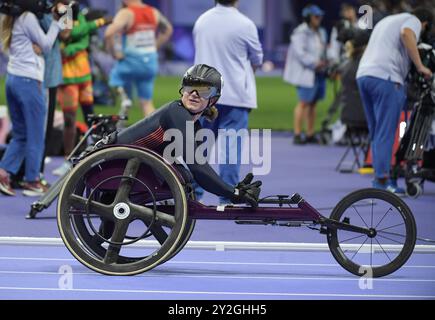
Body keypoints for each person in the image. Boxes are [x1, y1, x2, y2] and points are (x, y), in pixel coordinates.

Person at [95, 64, 261, 208]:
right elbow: (199, 169)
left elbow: (200, 170)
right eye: (190, 87)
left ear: (213, 99)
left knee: (185, 176)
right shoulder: (177, 113)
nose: (194, 93)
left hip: (128, 167)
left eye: (203, 90)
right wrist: (233, 192)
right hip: (108, 168)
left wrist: (232, 190)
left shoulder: (194, 126)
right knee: (184, 175)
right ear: (182, 90)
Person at [356, 7, 433, 194]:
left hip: (364, 75)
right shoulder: (412, 21)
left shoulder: (387, 21)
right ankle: (382, 181)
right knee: (385, 132)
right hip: (387, 78)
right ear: (425, 24)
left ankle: (379, 179)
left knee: (376, 132)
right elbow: (407, 34)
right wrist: (421, 66)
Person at [192, 0, 263, 204]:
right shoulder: (245, 24)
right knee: (232, 148)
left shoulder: (202, 21)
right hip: (236, 96)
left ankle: (193, 195)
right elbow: (257, 60)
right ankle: (227, 198)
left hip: (206, 95)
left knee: (200, 149)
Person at [0, 3, 68, 196]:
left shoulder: (15, 16)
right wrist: (56, 21)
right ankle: (32, 180)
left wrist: (67, 12)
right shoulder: (31, 15)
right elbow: (50, 43)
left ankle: (4, 172)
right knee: (37, 134)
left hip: (14, 78)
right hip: (32, 80)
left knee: (21, 133)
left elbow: (65, 34)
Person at [53, 2, 112, 176]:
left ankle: (98, 157)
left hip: (84, 76)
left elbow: (79, 39)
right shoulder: (59, 16)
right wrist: (95, 24)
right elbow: (63, 38)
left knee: (90, 118)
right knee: (69, 121)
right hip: (67, 78)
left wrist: (74, 45)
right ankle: (68, 160)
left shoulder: (77, 16)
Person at [104, 0, 173, 119]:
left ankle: (125, 100)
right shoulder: (153, 12)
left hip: (129, 62)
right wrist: (154, 47)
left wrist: (113, 52)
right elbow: (168, 30)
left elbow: (108, 33)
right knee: (146, 103)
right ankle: (155, 132)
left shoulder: (126, 13)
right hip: (149, 63)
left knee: (115, 79)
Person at [283, 4, 328, 145]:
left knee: (313, 103)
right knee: (303, 103)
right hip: (306, 72)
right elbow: (300, 53)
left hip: (318, 72)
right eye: (316, 16)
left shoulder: (320, 32)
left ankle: (310, 133)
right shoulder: (300, 32)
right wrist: (315, 63)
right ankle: (297, 133)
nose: (319, 19)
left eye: (320, 16)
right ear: (308, 18)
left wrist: (325, 62)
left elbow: (323, 49)